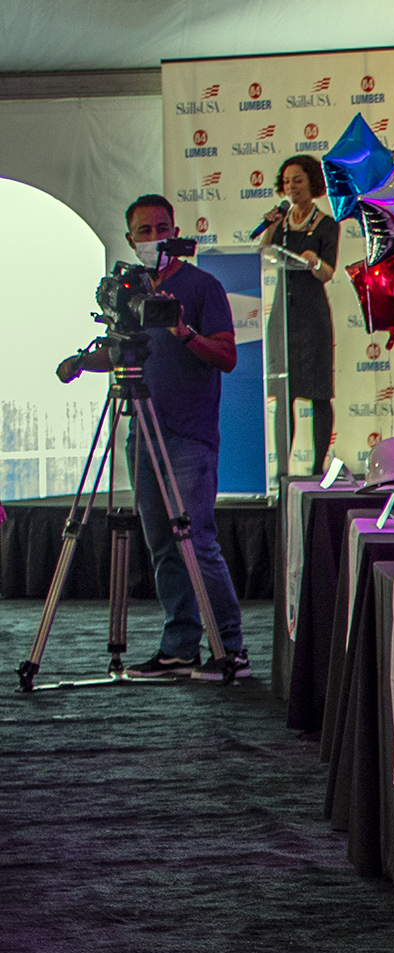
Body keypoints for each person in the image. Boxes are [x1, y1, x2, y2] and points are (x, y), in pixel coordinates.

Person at [80, 196, 244, 680]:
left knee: (196, 542)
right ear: (130, 238)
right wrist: (79, 363)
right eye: (143, 231)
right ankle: (181, 646)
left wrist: (182, 330)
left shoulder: (202, 286)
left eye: (161, 227)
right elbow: (119, 352)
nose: (153, 237)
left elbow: (227, 356)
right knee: (160, 544)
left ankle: (230, 649)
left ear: (175, 231)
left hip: (189, 435)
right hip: (143, 432)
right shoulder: (128, 290)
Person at [257, 154, 338, 480]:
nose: (291, 187)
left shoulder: (326, 224)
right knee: (283, 391)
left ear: (312, 184)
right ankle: (283, 470)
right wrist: (271, 226)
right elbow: (264, 253)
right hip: (282, 316)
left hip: (312, 315)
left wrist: (313, 261)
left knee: (319, 390)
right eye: (287, 181)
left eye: (298, 180)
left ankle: (318, 466)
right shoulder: (282, 223)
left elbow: (328, 272)